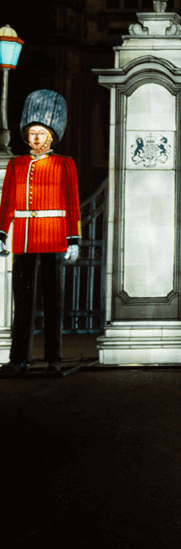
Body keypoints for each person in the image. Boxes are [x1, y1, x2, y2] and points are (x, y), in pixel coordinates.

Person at [0, 90, 81, 374]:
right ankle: (19, 358)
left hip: (54, 236)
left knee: (52, 301)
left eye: (42, 132)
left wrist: (73, 239)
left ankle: (53, 359)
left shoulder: (64, 164)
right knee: (22, 302)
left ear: (51, 136)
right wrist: (1, 234)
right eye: (32, 132)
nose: (36, 138)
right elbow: (8, 201)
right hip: (23, 237)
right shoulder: (16, 165)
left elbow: (71, 203)